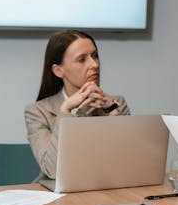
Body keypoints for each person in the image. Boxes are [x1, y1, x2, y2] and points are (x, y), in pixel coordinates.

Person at [24, 30, 130, 180]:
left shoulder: (116, 103)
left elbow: (127, 162)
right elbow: (53, 170)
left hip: (104, 190)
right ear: (58, 71)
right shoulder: (37, 111)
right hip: (58, 195)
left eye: (94, 56)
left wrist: (111, 111)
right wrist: (65, 111)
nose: (94, 65)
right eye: (82, 59)